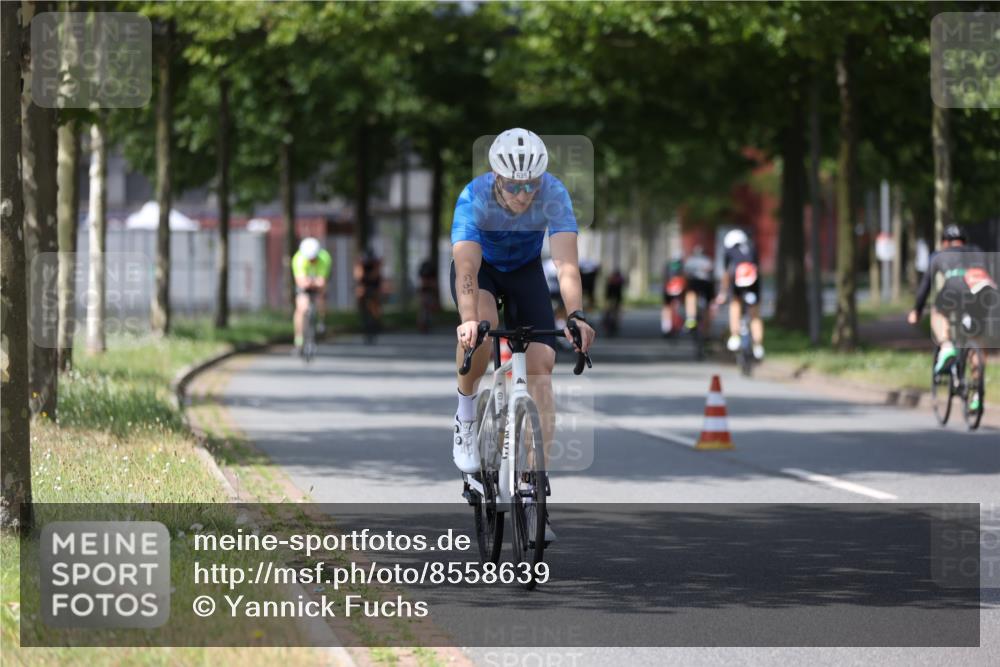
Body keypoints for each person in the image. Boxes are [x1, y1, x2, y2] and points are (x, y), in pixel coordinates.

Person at [450, 128, 596, 540]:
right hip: (482, 273)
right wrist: (467, 320)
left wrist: (576, 315)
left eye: (530, 184)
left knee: (542, 368)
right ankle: (464, 416)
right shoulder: (474, 198)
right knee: (477, 332)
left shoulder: (554, 192)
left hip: (526, 272)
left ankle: (533, 488)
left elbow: (566, 265)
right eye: (515, 185)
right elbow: (465, 270)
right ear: (497, 178)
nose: (523, 194)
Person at [907, 225, 996, 400]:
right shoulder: (977, 251)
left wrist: (916, 310)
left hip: (954, 289)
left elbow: (925, 286)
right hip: (982, 290)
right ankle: (977, 395)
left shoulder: (939, 255)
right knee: (977, 339)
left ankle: (946, 346)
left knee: (937, 312)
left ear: (945, 242)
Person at [715, 228, 764, 360]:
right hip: (754, 282)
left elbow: (726, 274)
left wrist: (723, 293)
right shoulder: (752, 247)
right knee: (755, 315)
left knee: (735, 304)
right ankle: (758, 346)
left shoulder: (729, 251)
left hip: (738, 281)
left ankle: (735, 336)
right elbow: (757, 268)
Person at [291, 237, 332, 351]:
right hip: (305, 284)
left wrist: (313, 282)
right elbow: (301, 283)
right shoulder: (298, 259)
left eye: (314, 259)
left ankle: (321, 321)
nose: (312, 261)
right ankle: (298, 339)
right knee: (301, 308)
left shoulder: (325, 258)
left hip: (316, 284)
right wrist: (313, 282)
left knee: (321, 298)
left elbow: (322, 282)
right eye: (309, 259)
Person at [682, 245, 715, 331]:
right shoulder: (708, 260)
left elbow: (685, 273)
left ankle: (690, 318)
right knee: (708, 306)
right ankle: (706, 330)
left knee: (690, 295)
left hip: (695, 283)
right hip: (707, 284)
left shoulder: (690, 261)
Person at [353, 249, 383, 343]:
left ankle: (376, 320)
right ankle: (363, 317)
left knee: (375, 302)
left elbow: (375, 276)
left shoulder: (375, 263)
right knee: (360, 296)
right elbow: (358, 276)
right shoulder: (360, 263)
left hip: (374, 284)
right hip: (363, 284)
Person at [661, 258, 684, 336]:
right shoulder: (681, 267)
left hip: (667, 288)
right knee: (676, 306)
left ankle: (666, 327)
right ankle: (676, 324)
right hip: (678, 289)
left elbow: (664, 278)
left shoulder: (668, 266)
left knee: (667, 307)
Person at [417, 257, 439, 333]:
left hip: (427, 291)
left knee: (425, 309)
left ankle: (424, 325)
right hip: (426, 291)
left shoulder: (425, 272)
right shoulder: (429, 272)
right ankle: (423, 325)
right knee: (425, 309)